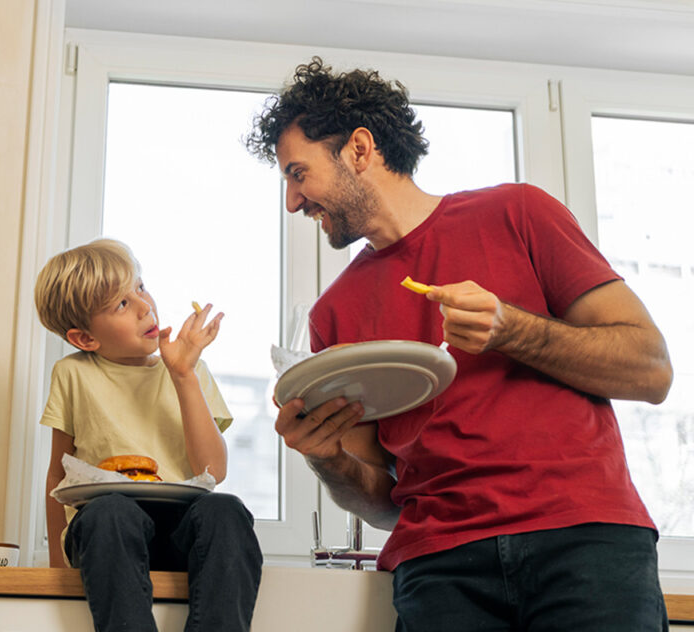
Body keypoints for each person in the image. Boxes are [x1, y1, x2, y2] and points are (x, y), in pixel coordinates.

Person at [246, 58, 673, 631]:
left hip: (583, 539)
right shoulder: (333, 314)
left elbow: (649, 369)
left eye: (299, 173)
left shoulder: (519, 214)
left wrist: (513, 329)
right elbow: (380, 499)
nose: (293, 202)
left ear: (359, 149)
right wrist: (326, 460)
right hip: (439, 565)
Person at [34, 238, 262, 632]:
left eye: (140, 286)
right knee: (110, 510)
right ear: (85, 339)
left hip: (180, 531)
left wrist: (183, 375)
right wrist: (58, 565)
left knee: (226, 510)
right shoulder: (72, 374)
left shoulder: (189, 370)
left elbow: (214, 469)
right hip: (107, 532)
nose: (145, 306)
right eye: (121, 304)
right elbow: (59, 477)